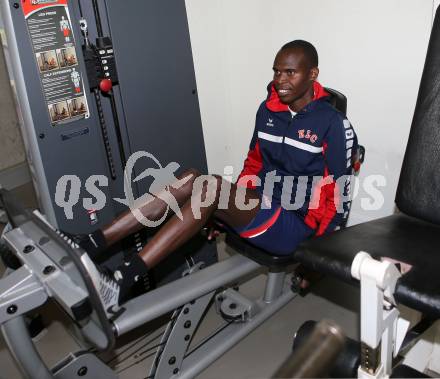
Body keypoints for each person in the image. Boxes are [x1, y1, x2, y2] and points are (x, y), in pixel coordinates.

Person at [61, 40, 357, 315]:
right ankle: (91, 241)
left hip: (297, 225)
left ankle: (123, 280)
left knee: (212, 187)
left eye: (290, 72)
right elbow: (254, 164)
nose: (280, 80)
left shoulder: (332, 124)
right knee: (192, 178)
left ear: (312, 74)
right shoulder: (268, 110)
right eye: (277, 71)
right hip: (263, 205)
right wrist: (226, 211)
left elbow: (337, 197)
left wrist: (318, 258)